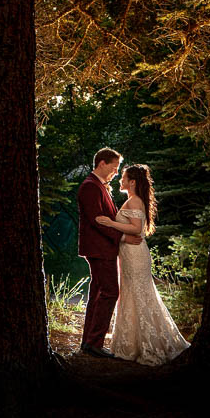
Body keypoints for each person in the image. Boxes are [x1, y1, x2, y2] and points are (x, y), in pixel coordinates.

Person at [95, 164, 190, 365]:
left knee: (139, 294)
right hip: (129, 253)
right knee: (131, 294)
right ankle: (132, 343)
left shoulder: (135, 201)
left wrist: (111, 223)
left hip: (135, 254)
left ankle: (149, 345)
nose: (120, 180)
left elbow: (137, 229)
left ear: (132, 182)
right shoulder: (132, 200)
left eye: (123, 177)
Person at [76, 147, 136, 358]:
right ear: (102, 163)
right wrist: (122, 238)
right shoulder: (90, 187)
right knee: (110, 292)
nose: (116, 172)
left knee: (98, 293)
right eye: (115, 167)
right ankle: (94, 342)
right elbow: (97, 221)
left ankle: (89, 341)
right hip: (99, 249)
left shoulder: (97, 186)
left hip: (102, 248)